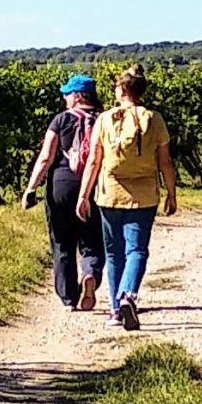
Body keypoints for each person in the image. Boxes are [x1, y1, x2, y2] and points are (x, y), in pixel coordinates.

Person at [75, 67, 176, 331]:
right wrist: (172, 193)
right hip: (144, 195)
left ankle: (114, 311)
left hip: (109, 192)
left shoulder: (105, 119)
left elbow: (94, 160)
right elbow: (165, 161)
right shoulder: (155, 119)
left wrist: (84, 195)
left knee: (114, 252)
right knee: (137, 249)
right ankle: (128, 294)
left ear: (121, 90)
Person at [22, 74, 103, 310]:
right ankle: (91, 273)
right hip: (93, 185)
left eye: (67, 93)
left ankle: (68, 298)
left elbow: (46, 156)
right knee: (93, 239)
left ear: (77, 96)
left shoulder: (60, 120)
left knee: (62, 242)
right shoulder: (104, 120)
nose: (64, 97)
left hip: (61, 185)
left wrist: (31, 187)